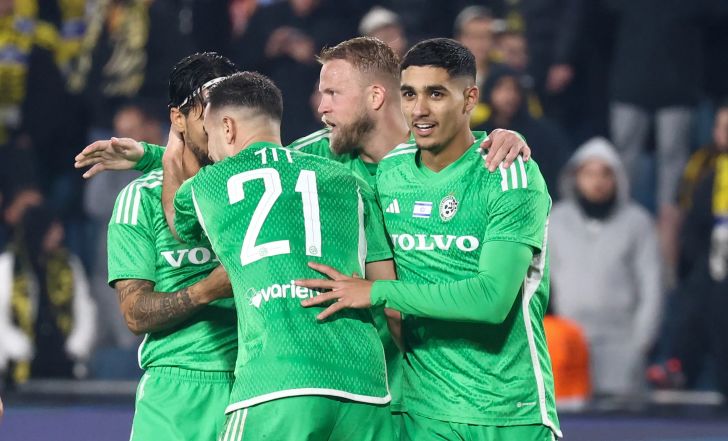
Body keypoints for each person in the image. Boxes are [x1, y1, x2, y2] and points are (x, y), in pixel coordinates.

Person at [297, 38, 561, 441]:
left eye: (435, 94)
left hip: (510, 411)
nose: (419, 109)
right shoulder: (387, 176)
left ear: (469, 98)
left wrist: (376, 292)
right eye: (409, 94)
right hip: (422, 413)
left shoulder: (509, 172)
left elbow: (492, 300)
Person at [165, 71, 395, 441]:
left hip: (275, 381)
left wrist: (169, 156)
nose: (210, 151)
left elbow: (178, 222)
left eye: (209, 135)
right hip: (365, 385)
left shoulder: (209, 183)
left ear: (227, 128)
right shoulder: (349, 181)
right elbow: (390, 296)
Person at [105, 53, 238, 441]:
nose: (222, 126)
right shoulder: (140, 201)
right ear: (178, 118)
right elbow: (134, 313)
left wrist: (148, 155)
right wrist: (207, 290)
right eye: (208, 113)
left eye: (230, 112)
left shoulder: (256, 189)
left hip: (252, 383)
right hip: (173, 392)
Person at [549, 137, 663, 401]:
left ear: (617, 178)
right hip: (568, 344)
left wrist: (640, 343)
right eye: (589, 174)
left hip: (622, 344)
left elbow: (652, 286)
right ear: (575, 177)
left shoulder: (638, 222)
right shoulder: (555, 221)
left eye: (605, 174)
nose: (597, 182)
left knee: (620, 421)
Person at [0, 205, 96, 383]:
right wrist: (16, 347)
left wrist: (76, 347)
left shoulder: (69, 264)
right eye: (54, 228)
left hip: (64, 361)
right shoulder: (8, 265)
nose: (60, 234)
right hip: (19, 366)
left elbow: (84, 309)